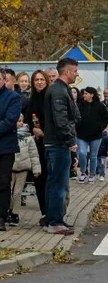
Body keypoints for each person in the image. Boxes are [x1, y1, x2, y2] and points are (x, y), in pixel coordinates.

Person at [43, 58, 80, 235]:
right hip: (58, 144)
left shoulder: (59, 89)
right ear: (67, 71)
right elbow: (61, 120)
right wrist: (70, 141)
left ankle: (51, 219)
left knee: (53, 183)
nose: (77, 74)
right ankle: (55, 222)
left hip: (55, 142)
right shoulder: (59, 91)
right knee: (59, 185)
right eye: (75, 71)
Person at [26, 70, 49, 223]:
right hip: (36, 144)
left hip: (50, 141)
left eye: (42, 79)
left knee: (51, 179)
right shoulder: (31, 99)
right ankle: (44, 213)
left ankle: (53, 212)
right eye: (36, 80)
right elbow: (28, 118)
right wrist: (32, 128)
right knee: (39, 178)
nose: (39, 82)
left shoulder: (50, 97)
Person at [0, 69, 21, 232]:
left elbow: (10, 120)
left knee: (3, 182)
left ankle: (1, 216)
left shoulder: (13, 97)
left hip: (5, 147)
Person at [11, 115, 40, 225]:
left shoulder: (28, 138)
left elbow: (34, 155)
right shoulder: (8, 136)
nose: (21, 123)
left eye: (22, 121)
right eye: (18, 121)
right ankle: (7, 210)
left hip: (23, 168)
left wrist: (36, 169)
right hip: (10, 167)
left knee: (18, 193)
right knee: (7, 191)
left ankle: (15, 213)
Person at [75, 87, 108, 183]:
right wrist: (77, 127)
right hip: (82, 135)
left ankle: (92, 174)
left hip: (96, 135)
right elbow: (75, 118)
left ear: (92, 95)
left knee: (93, 155)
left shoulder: (100, 106)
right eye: (84, 93)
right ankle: (83, 172)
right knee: (82, 153)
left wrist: (100, 127)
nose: (84, 95)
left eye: (86, 93)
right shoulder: (79, 105)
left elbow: (105, 118)